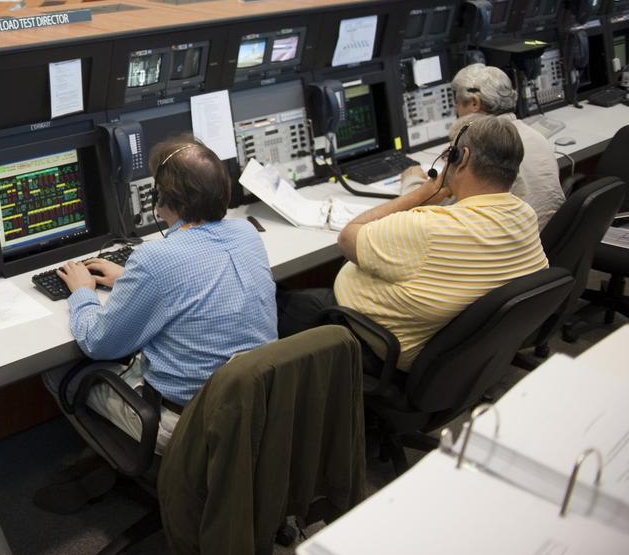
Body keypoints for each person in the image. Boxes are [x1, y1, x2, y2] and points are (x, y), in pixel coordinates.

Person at [45, 136, 277, 455]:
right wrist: (130, 279)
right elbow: (194, 280)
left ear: (161, 198)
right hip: (255, 409)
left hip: (189, 426)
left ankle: (137, 466)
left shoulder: (155, 259)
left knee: (60, 373)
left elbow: (98, 343)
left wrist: (83, 292)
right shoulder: (246, 233)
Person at [278, 115, 548, 371]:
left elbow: (347, 238)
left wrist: (424, 192)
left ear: (462, 158)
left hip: (372, 342)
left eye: (449, 153)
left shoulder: (428, 228)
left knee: (276, 298)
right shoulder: (524, 216)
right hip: (452, 357)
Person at [399, 63, 563, 229]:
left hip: (505, 241)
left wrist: (411, 180)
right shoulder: (536, 137)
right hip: (542, 238)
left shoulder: (478, 148)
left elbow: (427, 209)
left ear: (474, 103)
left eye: (458, 105)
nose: (457, 112)